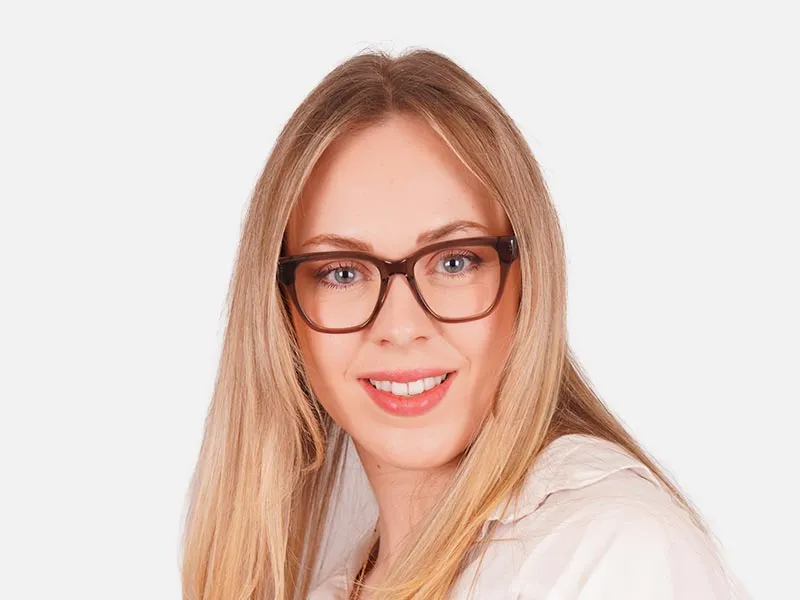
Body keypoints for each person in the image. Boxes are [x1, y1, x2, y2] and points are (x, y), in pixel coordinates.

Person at [180, 48, 749, 599]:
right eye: (342, 272)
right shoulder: (328, 578)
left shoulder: (607, 556)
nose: (401, 326)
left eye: (454, 261)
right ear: (279, 307)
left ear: (529, 280)